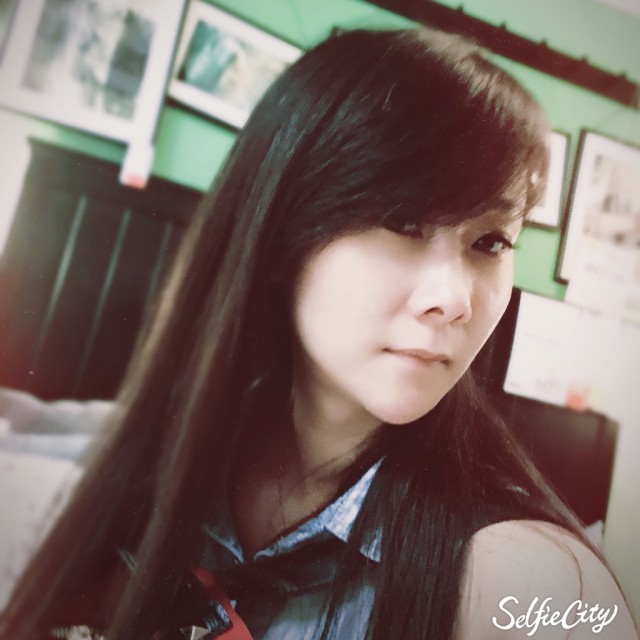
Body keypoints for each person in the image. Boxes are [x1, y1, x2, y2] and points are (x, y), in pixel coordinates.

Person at [1, 27, 637, 640]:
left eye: (491, 241)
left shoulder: (532, 583)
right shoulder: (104, 473)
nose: (454, 301)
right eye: (402, 221)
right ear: (285, 238)